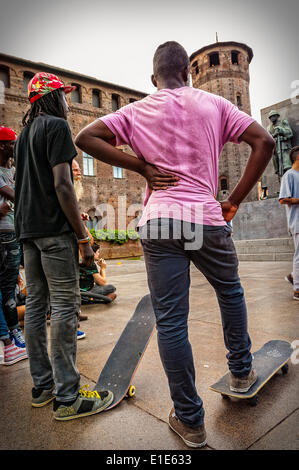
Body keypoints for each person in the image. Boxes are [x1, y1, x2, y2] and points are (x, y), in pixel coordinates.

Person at [75, 41, 275, 447]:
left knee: (170, 320)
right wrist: (233, 200)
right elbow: (265, 142)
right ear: (187, 71)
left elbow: (86, 137)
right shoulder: (214, 104)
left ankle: (190, 421)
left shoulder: (137, 110)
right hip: (204, 218)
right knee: (230, 293)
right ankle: (241, 371)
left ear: (154, 79)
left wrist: (143, 168)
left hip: (160, 221)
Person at [14, 72, 113, 419]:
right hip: (54, 233)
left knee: (38, 306)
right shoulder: (56, 126)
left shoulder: (23, 135)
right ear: (52, 98)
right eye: (64, 96)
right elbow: (62, 184)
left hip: (28, 231)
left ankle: (43, 386)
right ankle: (69, 397)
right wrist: (83, 239)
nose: (68, 102)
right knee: (66, 305)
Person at [0, 126, 26, 349]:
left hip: (15, 232)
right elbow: (16, 196)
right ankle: (12, 335)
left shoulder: (13, 170)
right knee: (8, 288)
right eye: (12, 143)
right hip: (4, 236)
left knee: (13, 286)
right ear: (2, 146)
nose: (15, 147)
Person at [279, 145, 299, 301]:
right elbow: (283, 199)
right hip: (297, 221)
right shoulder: (289, 176)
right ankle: (297, 290)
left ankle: (294, 276)